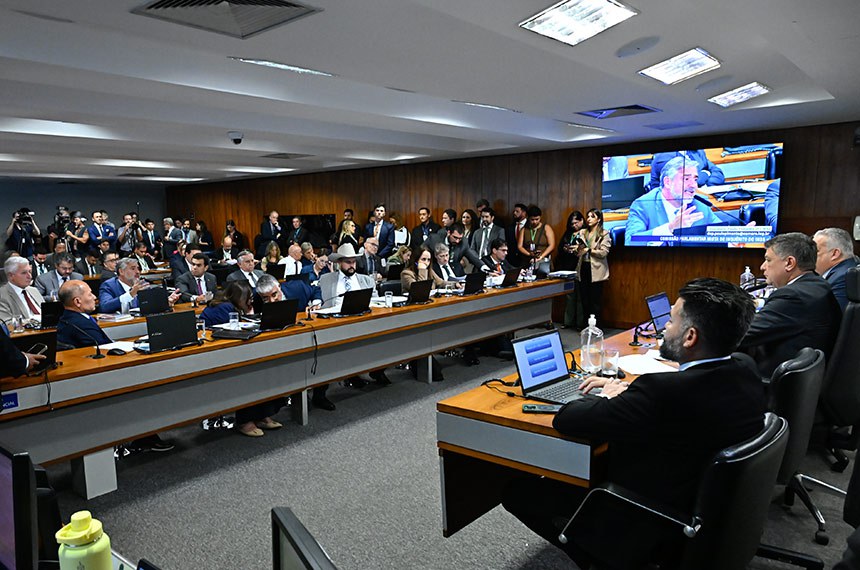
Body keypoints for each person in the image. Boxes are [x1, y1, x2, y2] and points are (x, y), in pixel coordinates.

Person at [502, 277, 766, 569]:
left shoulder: (662, 392)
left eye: (671, 321)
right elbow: (683, 406)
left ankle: (602, 562)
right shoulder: (746, 368)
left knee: (520, 492)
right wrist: (631, 395)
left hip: (649, 512)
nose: (664, 327)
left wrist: (610, 397)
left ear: (691, 337)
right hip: (710, 511)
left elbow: (567, 419)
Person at [57, 280, 175, 452]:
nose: (95, 297)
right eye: (90, 294)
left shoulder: (71, 319)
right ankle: (143, 435)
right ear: (77, 302)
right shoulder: (77, 323)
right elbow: (102, 349)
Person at [738, 232, 842, 378]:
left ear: (789, 263)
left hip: (773, 382)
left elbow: (740, 335)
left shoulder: (793, 296)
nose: (762, 267)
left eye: (768, 260)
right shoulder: (817, 284)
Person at [200, 280, 283, 436]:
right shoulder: (224, 308)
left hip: (230, 351)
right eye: (248, 297)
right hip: (212, 355)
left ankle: (260, 416)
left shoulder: (231, 306)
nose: (251, 301)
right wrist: (249, 314)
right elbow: (235, 331)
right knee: (250, 375)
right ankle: (246, 421)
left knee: (262, 369)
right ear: (238, 297)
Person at [625, 156, 721, 245]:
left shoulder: (700, 203)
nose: (693, 185)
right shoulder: (643, 205)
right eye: (686, 179)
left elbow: (720, 232)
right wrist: (670, 228)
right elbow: (631, 241)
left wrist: (732, 239)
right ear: (667, 182)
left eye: (695, 180)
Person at [100, 258, 180, 313]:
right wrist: (130, 295)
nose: (138, 272)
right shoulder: (109, 285)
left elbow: (150, 306)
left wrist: (166, 303)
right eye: (133, 268)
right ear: (121, 271)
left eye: (138, 268)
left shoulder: (143, 284)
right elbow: (105, 306)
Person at [575, 209, 611, 323]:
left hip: (596, 270)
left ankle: (596, 327)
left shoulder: (604, 233)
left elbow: (604, 252)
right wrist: (576, 249)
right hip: (583, 268)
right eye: (588, 216)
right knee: (584, 299)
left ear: (599, 219)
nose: (589, 219)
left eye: (592, 216)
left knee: (595, 301)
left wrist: (589, 250)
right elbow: (579, 251)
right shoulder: (582, 232)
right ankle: (586, 325)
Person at [813, 227, 857, 311]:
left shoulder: (843, 278)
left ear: (835, 254)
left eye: (815, 251)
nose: (810, 256)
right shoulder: (848, 268)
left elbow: (829, 317)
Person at [556, 211, 585, 328]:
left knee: (580, 297)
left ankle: (580, 323)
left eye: (576, 223)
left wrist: (576, 249)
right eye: (572, 224)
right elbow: (560, 248)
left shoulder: (585, 233)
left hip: (580, 266)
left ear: (582, 220)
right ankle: (568, 322)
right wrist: (566, 249)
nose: (574, 226)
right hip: (568, 267)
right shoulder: (568, 233)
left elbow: (586, 247)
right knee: (569, 297)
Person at [0, 256, 45, 326]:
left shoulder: (34, 290)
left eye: (29, 272)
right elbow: (6, 324)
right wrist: (33, 320)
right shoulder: (2, 295)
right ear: (11, 275)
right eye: (24, 273)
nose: (29, 276)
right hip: (26, 335)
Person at [648, 150, 725, 189]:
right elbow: (683, 185)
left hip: (702, 197)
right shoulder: (664, 157)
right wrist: (706, 173)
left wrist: (707, 185)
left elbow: (718, 172)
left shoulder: (697, 151)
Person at [517, 205, 556, 274]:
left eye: (537, 219)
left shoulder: (546, 228)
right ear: (528, 218)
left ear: (540, 217)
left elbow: (552, 245)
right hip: (528, 261)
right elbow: (520, 246)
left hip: (543, 261)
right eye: (532, 220)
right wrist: (529, 254)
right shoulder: (524, 229)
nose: (534, 222)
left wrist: (541, 257)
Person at [506, 203, 528, 268]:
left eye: (517, 211)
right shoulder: (510, 227)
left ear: (524, 213)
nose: (514, 213)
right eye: (514, 211)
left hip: (526, 258)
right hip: (513, 260)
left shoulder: (529, 226)